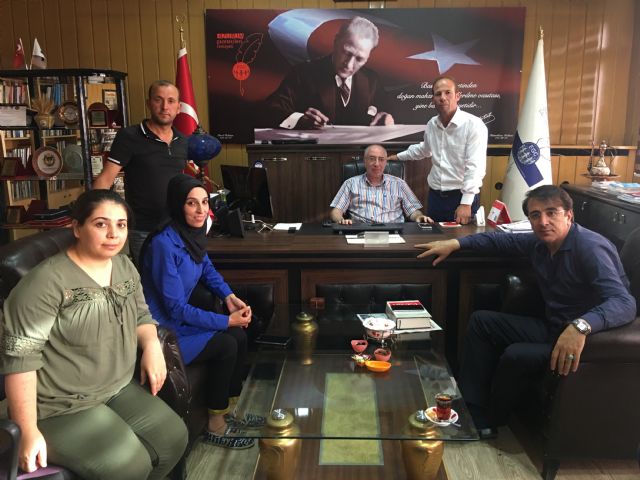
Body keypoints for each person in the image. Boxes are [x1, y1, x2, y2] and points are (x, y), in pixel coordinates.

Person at [415, 185, 636, 439]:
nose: (543, 222)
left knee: (517, 354)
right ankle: (471, 408)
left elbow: (624, 302)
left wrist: (581, 326)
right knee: (482, 321)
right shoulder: (539, 243)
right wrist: (455, 243)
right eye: (535, 215)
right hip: (553, 327)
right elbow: (500, 240)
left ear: (569, 215)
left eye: (552, 213)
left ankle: (490, 422)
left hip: (586, 341)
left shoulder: (590, 247)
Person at [0, 190, 188, 478]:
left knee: (174, 439)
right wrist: (27, 430)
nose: (113, 234)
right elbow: (20, 360)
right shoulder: (45, 283)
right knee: (130, 465)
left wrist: (151, 346)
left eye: (121, 225)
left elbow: (141, 314)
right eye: (101, 224)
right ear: (77, 228)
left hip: (116, 387)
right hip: (60, 404)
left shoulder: (124, 266)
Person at [140, 174, 264, 449]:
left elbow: (207, 269)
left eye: (205, 202)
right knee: (226, 344)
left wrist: (229, 296)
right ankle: (215, 425)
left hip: (181, 323)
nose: (200, 210)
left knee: (239, 336)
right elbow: (174, 308)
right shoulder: (163, 244)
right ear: (177, 205)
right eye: (191, 203)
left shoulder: (191, 236)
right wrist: (226, 320)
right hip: (163, 333)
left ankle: (231, 410)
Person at [93, 80, 188, 265]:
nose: (164, 107)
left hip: (177, 228)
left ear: (178, 108)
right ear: (149, 103)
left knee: (178, 279)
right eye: (158, 100)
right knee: (149, 281)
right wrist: (89, 217)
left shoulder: (183, 141)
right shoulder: (129, 136)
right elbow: (105, 180)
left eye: (170, 101)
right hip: (144, 229)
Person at [261, 16, 394, 129]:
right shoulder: (302, 73)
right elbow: (270, 110)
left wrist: (386, 116)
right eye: (346, 52)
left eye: (359, 59)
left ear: (368, 57)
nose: (349, 65)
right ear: (335, 42)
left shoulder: (371, 80)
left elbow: (388, 110)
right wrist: (300, 119)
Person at [388, 76, 487, 224]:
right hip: (435, 198)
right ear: (433, 99)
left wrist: (466, 203)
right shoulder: (432, 124)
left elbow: (475, 167)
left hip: (461, 197)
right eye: (438, 94)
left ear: (458, 96)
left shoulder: (474, 125)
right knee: (434, 236)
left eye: (448, 92)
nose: (443, 98)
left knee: (463, 238)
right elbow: (424, 149)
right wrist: (398, 156)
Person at [330, 144, 432, 224]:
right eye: (372, 158)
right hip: (360, 231)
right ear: (365, 161)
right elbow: (336, 211)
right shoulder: (351, 183)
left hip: (393, 232)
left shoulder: (399, 184)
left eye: (381, 159)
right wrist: (341, 221)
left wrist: (419, 217)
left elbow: (413, 210)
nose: (377, 164)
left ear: (385, 162)